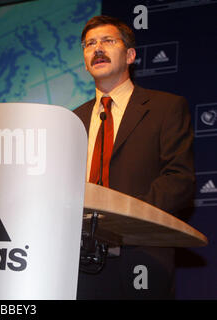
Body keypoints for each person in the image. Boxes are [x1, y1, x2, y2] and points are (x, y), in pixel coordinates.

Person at [73, 15, 195, 299]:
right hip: (80, 262)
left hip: (141, 257)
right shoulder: (72, 119)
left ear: (130, 55)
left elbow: (179, 179)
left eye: (107, 41)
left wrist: (120, 220)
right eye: (89, 44)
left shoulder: (166, 107)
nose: (97, 48)